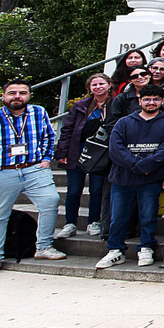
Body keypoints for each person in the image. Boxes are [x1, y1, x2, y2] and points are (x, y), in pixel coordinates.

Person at [0, 80, 66, 274]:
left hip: (33, 169)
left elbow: (48, 136)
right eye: (12, 93)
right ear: (3, 96)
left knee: (51, 201)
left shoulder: (39, 112)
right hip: (1, 172)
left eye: (22, 92)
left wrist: (46, 159)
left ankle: (44, 246)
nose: (17, 96)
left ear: (29, 95)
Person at [97, 83, 164, 269]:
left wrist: (145, 166)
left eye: (156, 99)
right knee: (118, 217)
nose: (151, 103)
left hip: (150, 178)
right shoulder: (123, 122)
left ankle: (147, 247)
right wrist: (135, 165)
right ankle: (115, 250)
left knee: (148, 216)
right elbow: (116, 148)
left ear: (162, 101)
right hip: (122, 178)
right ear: (140, 101)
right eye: (147, 99)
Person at [54, 74, 112, 240]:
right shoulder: (80, 106)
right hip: (78, 149)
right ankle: (70, 223)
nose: (98, 87)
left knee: (96, 189)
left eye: (101, 83)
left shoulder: (115, 103)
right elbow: (67, 129)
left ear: (109, 85)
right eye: (94, 84)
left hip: (101, 151)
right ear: (90, 87)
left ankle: (93, 221)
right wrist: (62, 152)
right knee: (73, 189)